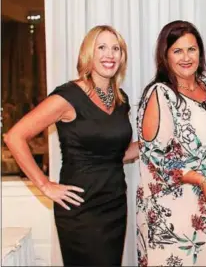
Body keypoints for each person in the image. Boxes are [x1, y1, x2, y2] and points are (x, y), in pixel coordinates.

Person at [4, 25, 139, 266]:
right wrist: (45, 185)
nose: (110, 54)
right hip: (80, 210)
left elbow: (116, 154)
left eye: (116, 48)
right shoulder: (68, 96)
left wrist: (154, 143)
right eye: (102, 47)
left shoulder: (121, 100)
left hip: (115, 205)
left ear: (122, 56)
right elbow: (14, 137)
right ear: (89, 53)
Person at [136, 20, 206, 267]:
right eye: (177, 50)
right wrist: (202, 180)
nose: (186, 57)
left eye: (192, 49)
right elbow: (158, 158)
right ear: (165, 56)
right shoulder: (160, 93)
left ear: (201, 52)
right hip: (174, 213)